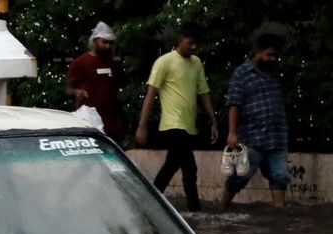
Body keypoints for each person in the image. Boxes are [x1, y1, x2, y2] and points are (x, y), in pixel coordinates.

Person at [135, 22, 220, 212]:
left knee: (172, 165)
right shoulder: (164, 62)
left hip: (189, 125)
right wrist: (142, 125)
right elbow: (151, 95)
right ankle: (195, 212)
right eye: (190, 43)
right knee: (189, 167)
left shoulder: (196, 63)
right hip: (172, 124)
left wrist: (213, 122)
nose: (194, 47)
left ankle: (150, 202)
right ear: (180, 40)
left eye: (196, 43)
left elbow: (204, 93)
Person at [220, 33, 290, 210]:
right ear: (258, 52)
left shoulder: (276, 73)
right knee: (239, 178)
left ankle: (279, 218)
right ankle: (221, 208)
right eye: (269, 55)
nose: (273, 59)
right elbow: (234, 104)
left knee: (280, 177)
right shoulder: (242, 74)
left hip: (277, 137)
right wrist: (232, 132)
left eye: (275, 55)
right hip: (252, 138)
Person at [66, 21, 127, 143]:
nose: (108, 46)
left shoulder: (111, 63)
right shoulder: (80, 62)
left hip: (111, 122)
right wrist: (77, 91)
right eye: (104, 42)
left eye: (110, 43)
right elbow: (68, 89)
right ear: (95, 41)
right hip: (90, 121)